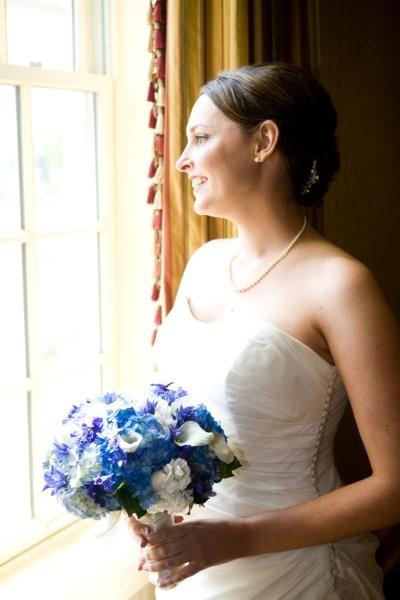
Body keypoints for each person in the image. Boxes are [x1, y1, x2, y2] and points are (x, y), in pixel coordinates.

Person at [129, 63, 400, 599]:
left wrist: (231, 541)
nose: (181, 161)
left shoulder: (341, 286)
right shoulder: (205, 262)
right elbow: (165, 413)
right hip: (191, 572)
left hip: (290, 573)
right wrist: (138, 495)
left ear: (264, 142)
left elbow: (394, 488)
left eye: (200, 138)